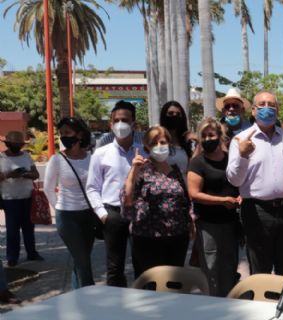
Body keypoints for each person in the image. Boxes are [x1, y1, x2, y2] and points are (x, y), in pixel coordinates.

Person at [226, 91, 283, 276]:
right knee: (260, 270)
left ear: (277, 110)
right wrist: (243, 156)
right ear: (253, 111)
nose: (267, 108)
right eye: (262, 104)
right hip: (257, 211)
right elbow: (234, 180)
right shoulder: (241, 140)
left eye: (271, 105)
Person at [86, 101, 147, 287]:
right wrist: (102, 214)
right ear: (111, 124)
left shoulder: (144, 152)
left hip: (140, 214)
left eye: (125, 120)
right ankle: (117, 302)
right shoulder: (101, 153)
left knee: (142, 264)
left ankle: (143, 300)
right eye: (117, 120)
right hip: (113, 213)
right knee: (114, 267)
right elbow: (92, 187)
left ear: (134, 124)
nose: (121, 124)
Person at [122, 126, 193, 278]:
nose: (159, 146)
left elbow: (184, 200)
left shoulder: (175, 171)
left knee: (173, 283)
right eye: (154, 143)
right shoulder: (142, 170)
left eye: (163, 142)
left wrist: (191, 222)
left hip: (177, 237)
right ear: (147, 146)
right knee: (153, 283)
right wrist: (133, 171)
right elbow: (127, 199)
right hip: (148, 238)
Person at [187, 118, 241, 297]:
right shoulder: (197, 163)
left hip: (231, 224)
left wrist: (241, 196)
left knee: (229, 266)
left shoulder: (231, 159)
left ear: (220, 136)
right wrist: (222, 201)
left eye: (211, 135)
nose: (208, 139)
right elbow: (194, 194)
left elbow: (240, 182)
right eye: (203, 136)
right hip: (208, 226)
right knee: (210, 268)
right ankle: (213, 303)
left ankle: (229, 301)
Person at [44, 117, 95, 289]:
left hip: (88, 215)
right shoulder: (56, 160)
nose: (63, 136)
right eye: (61, 133)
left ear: (79, 135)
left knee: (80, 260)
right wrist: (59, 208)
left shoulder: (91, 158)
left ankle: (77, 296)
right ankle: (90, 294)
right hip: (67, 217)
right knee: (83, 261)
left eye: (67, 132)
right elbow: (48, 189)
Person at [0, 131, 43, 267]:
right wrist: (9, 175)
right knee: (12, 230)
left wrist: (27, 174)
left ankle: (32, 253)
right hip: (9, 198)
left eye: (19, 144)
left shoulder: (26, 156)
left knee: (29, 228)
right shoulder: (1, 158)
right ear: (8, 144)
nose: (17, 146)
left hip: (28, 196)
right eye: (14, 144)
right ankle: (12, 257)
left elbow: (36, 174)